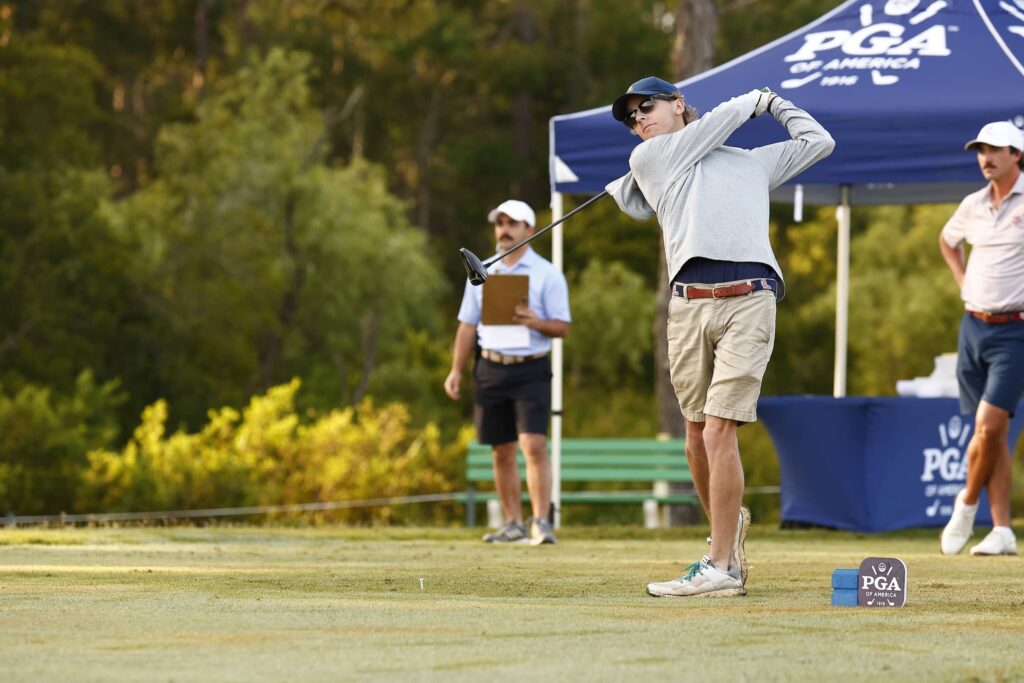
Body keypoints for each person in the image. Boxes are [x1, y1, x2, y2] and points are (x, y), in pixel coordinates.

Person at [606, 77, 834, 596]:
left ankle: (719, 565)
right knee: (694, 433)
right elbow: (717, 124)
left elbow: (819, 142)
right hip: (688, 304)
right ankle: (724, 544)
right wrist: (752, 100)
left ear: (678, 104)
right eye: (631, 119)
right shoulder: (651, 159)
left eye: (646, 107)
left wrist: (777, 104)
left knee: (717, 429)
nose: (639, 120)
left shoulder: (751, 163)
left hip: (750, 300)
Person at [444, 199, 571, 546]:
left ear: (529, 230)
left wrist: (536, 322)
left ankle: (541, 522)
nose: (504, 230)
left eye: (512, 223)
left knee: (533, 444)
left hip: (531, 369)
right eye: (500, 223)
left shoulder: (547, 273)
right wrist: (456, 371)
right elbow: (467, 325)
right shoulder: (481, 270)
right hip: (490, 369)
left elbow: (562, 327)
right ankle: (513, 523)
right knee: (501, 449)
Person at [938, 121, 1024, 557]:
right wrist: (961, 280)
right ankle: (1003, 530)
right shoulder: (972, 204)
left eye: (995, 150)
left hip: (1016, 330)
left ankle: (967, 504)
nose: (985, 158)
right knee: (994, 433)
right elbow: (947, 241)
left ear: (1016, 155)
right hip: (973, 326)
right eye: (980, 150)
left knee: (988, 426)